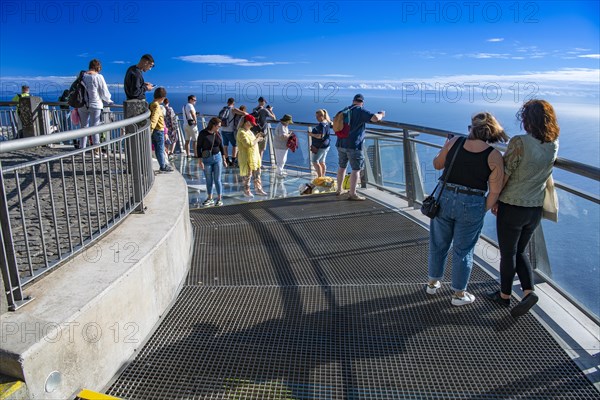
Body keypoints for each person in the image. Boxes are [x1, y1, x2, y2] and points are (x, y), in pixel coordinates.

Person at [486, 100, 560, 317]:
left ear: (528, 119)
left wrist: (495, 199)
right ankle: (529, 292)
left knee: (508, 253)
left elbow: (504, 174)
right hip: (534, 209)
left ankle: (504, 295)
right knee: (520, 251)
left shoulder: (519, 142)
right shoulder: (554, 143)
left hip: (512, 206)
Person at [427, 112, 507, 306]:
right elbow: (495, 191)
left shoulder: (455, 142)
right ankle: (458, 295)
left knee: (438, 243)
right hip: (472, 202)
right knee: (463, 250)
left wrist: (446, 146)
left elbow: (437, 164)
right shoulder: (494, 155)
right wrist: (481, 210)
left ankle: (432, 283)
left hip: (444, 198)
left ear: (472, 128)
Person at [335, 94, 385, 200]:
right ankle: (352, 194)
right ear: (362, 102)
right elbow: (375, 118)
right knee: (356, 169)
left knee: (342, 166)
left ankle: (339, 189)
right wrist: (381, 114)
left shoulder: (345, 110)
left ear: (353, 101)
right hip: (354, 145)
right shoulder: (360, 111)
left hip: (341, 143)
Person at [78, 59, 113, 155]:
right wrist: (109, 100)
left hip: (82, 105)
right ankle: (96, 150)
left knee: (83, 128)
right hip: (95, 105)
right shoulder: (98, 77)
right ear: (98, 67)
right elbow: (104, 92)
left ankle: (82, 150)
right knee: (95, 129)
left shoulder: (82, 76)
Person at [197, 117, 227, 207]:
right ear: (213, 125)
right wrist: (200, 160)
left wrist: (224, 159)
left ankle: (219, 198)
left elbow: (221, 146)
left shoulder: (217, 133)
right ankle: (210, 198)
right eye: (218, 126)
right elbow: (198, 147)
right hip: (206, 159)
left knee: (217, 179)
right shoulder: (203, 133)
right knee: (209, 180)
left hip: (217, 158)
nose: (219, 128)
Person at [237, 114, 267, 198]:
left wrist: (257, 137)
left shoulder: (249, 131)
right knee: (248, 175)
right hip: (246, 156)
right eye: (251, 123)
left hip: (254, 156)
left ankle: (258, 189)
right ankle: (247, 191)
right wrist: (257, 139)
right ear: (246, 122)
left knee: (257, 173)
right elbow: (247, 144)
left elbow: (252, 141)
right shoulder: (241, 132)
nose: (252, 125)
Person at [149, 87, 173, 173]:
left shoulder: (151, 104)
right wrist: (151, 129)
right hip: (158, 130)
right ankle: (163, 166)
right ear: (162, 98)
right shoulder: (157, 106)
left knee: (157, 148)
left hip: (155, 130)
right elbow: (154, 119)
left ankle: (163, 164)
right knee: (160, 149)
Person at [219, 98, 248, 167]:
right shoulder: (233, 109)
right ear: (233, 103)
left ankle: (227, 160)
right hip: (230, 131)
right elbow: (244, 113)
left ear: (227, 102)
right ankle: (233, 161)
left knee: (225, 146)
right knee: (235, 146)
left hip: (223, 130)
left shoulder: (224, 109)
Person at [309, 109, 332, 177]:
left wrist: (311, 134)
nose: (316, 118)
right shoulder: (328, 122)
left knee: (315, 161)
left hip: (319, 146)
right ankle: (323, 176)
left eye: (317, 117)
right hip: (326, 145)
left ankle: (319, 177)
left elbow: (320, 136)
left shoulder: (322, 124)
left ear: (321, 116)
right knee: (322, 162)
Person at [252, 97, 276, 161]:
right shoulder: (265, 110)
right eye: (265, 102)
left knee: (255, 147)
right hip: (262, 131)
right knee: (261, 149)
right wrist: (270, 110)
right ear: (263, 102)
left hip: (255, 130)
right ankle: (259, 164)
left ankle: (255, 162)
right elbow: (274, 118)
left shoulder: (254, 109)